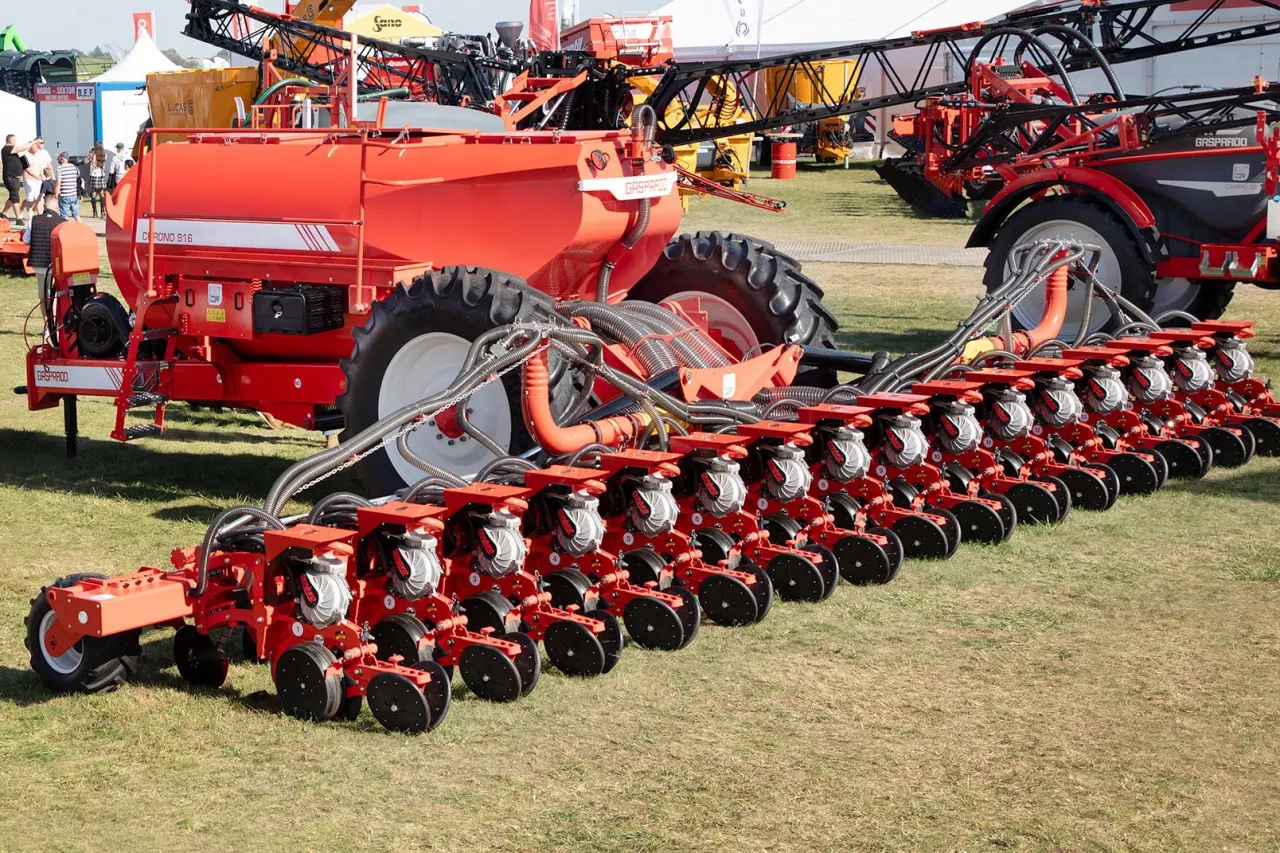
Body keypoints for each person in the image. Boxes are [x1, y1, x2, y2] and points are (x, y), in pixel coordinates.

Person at [2, 134, 34, 222]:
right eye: (14, 139)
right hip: (10, 177)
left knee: (13, 197)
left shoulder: (14, 152)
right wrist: (32, 143)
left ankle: (3, 213)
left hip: (15, 178)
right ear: (9, 140)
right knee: (15, 197)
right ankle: (18, 218)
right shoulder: (6, 149)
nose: (15, 141)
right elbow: (21, 148)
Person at [21, 137, 51, 223]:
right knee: (30, 198)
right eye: (35, 146)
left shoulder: (37, 156)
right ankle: (22, 209)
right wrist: (36, 176)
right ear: (30, 147)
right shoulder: (25, 156)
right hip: (29, 180)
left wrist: (42, 177)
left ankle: (38, 215)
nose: (37, 147)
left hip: (38, 180)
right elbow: (26, 168)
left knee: (39, 197)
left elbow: (40, 167)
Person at [54, 151, 81, 221]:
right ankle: (82, 229)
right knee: (76, 215)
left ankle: (65, 230)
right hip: (74, 194)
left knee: (64, 216)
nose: (57, 159)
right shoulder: (74, 167)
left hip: (65, 195)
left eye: (58, 157)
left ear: (62, 158)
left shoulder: (60, 169)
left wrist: (56, 196)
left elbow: (58, 183)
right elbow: (77, 179)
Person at [86, 142, 107, 218]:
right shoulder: (104, 155)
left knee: (93, 194)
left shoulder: (92, 155)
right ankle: (102, 212)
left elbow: (86, 161)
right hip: (101, 175)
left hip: (94, 175)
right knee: (101, 194)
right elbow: (103, 165)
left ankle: (94, 212)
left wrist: (90, 152)